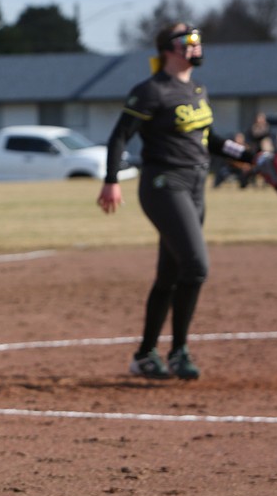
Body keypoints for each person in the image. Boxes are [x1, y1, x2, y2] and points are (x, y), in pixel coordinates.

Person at [97, 23, 258, 381]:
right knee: (196, 266)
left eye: (198, 39)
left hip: (196, 184)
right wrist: (111, 181)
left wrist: (251, 157)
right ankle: (179, 352)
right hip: (164, 183)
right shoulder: (151, 90)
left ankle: (145, 356)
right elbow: (119, 136)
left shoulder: (196, 88)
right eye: (188, 41)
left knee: (170, 274)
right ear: (168, 48)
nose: (196, 46)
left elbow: (210, 139)